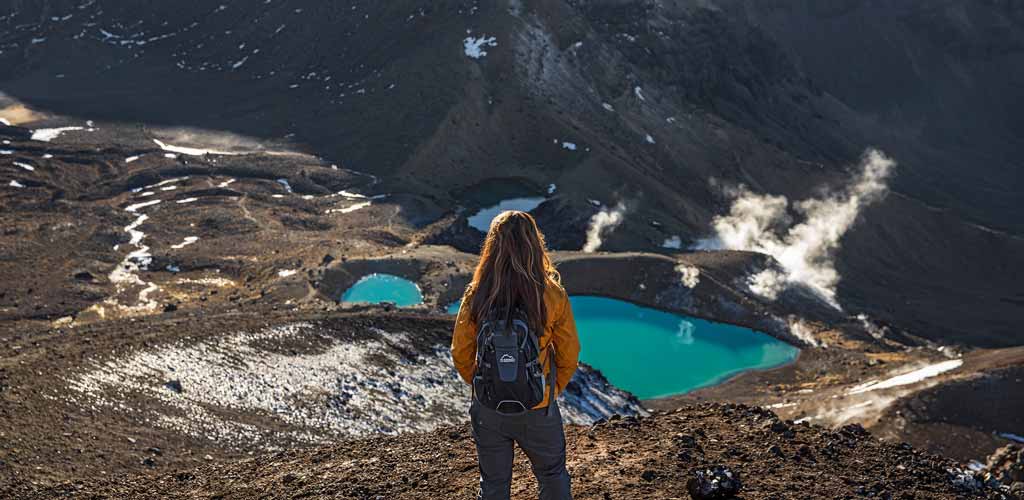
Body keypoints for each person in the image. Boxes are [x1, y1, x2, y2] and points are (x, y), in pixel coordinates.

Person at [451, 210, 580, 500]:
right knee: (552, 475)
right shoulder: (551, 293)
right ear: (535, 244)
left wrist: (485, 384)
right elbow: (569, 352)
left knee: (494, 484)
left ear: (492, 246)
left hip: (488, 408)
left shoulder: (477, 294)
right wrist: (548, 391)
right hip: (538, 407)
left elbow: (460, 352)